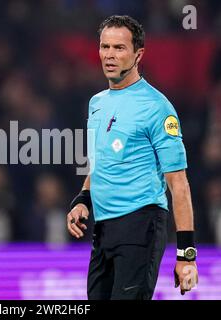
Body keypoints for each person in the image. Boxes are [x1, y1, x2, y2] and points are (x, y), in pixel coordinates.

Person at [66, 15, 198, 300]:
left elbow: (179, 184)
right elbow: (100, 164)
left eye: (119, 48)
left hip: (141, 225)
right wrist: (83, 199)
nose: (109, 55)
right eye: (105, 47)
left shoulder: (157, 107)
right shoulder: (97, 103)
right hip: (103, 230)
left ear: (138, 54)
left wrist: (186, 255)